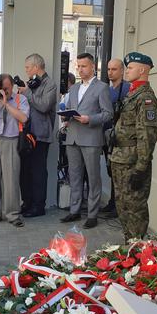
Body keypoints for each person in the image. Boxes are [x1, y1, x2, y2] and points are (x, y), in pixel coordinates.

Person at [109, 52, 157, 241]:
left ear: (142, 70)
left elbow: (146, 136)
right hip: (120, 159)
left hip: (132, 163)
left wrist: (141, 168)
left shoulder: (146, 99)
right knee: (123, 207)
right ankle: (129, 247)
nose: (127, 71)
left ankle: (138, 252)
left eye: (130, 68)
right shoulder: (131, 94)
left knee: (135, 209)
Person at [60, 53, 112, 229]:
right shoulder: (73, 88)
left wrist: (90, 118)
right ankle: (74, 211)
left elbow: (108, 114)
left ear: (92, 67)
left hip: (90, 138)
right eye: (78, 66)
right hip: (73, 137)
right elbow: (70, 108)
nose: (80, 69)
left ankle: (92, 214)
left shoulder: (102, 87)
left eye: (84, 66)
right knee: (74, 176)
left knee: (93, 177)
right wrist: (66, 118)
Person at [0, 74, 29, 227]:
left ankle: (12, 214)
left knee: (11, 180)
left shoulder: (19, 99)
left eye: (6, 88)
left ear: (12, 86)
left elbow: (23, 118)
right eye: (1, 88)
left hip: (11, 141)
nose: (4, 91)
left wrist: (6, 104)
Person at [16, 53, 58, 217]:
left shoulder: (50, 84)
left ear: (35, 67)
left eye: (27, 67)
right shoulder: (32, 84)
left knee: (38, 171)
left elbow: (44, 106)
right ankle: (27, 202)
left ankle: (38, 206)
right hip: (27, 133)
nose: (25, 70)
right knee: (25, 170)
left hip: (40, 135)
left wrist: (27, 92)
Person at [101, 58, 131, 217]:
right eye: (108, 69)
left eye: (114, 69)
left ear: (121, 71)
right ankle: (112, 203)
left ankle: (119, 207)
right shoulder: (106, 89)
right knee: (111, 171)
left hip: (120, 138)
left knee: (120, 173)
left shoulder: (127, 88)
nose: (110, 72)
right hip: (107, 136)